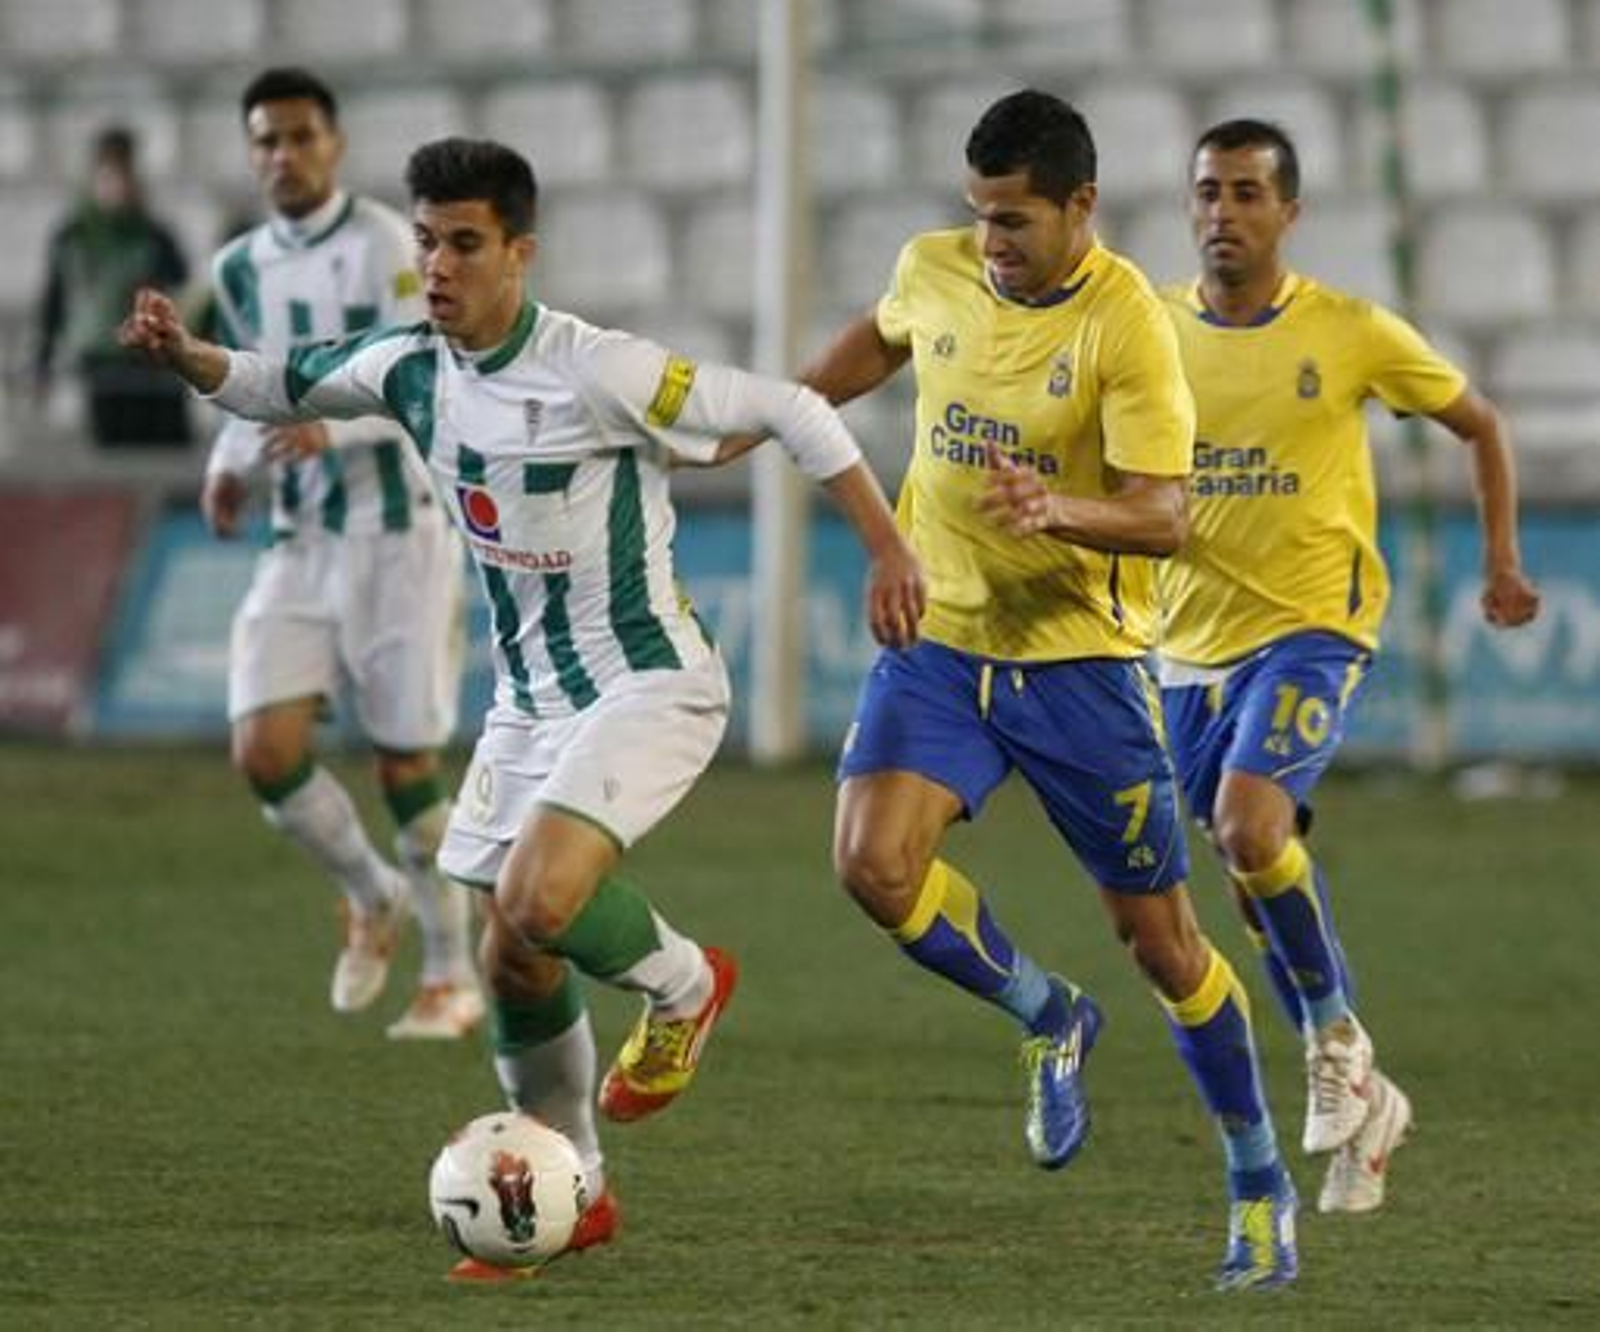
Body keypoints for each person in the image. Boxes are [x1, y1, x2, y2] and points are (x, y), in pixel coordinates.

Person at [121, 136, 926, 1276]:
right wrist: (186, 352)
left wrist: (887, 546)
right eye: (425, 243)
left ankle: (691, 986)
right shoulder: (409, 368)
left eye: (463, 245)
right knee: (511, 957)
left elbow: (794, 408)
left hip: (650, 682)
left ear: (518, 253)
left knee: (538, 896)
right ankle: (579, 1191)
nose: (438, 267)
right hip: (532, 705)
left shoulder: (601, 368)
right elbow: (277, 382)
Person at [798, 89, 1295, 1290]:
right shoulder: (937, 268)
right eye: (979, 217)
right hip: (945, 640)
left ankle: (1258, 1183)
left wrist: (1055, 506)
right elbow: (871, 344)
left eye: (1014, 221)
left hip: (1080, 664)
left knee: (1164, 944)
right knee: (872, 866)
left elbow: (1166, 516)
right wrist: (788, 413)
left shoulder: (1128, 325)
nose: (991, 244)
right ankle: (1043, 1013)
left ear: (1081, 206)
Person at [1156, 118, 1541, 1215]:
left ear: (1288, 211)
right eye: (1205, 192)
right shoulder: (1151, 333)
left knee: (1246, 827)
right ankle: (1365, 1093)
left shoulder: (1352, 331)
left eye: (1243, 193)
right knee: (1253, 870)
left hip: (1316, 628)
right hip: (1184, 650)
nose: (1220, 213)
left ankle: (1335, 1040)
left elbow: (1480, 424)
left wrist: (1501, 561)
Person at [198, 68, 481, 1041]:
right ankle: (370, 894)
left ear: (336, 143)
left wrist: (336, 430)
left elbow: (429, 371)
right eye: (266, 141)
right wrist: (232, 459)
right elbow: (257, 383)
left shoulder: (388, 248)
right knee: (263, 749)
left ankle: (452, 974)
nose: (284, 155)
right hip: (302, 539)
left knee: (407, 764)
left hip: (400, 537)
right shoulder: (238, 268)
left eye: (300, 137)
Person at [35, 125, 192, 448]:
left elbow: (180, 276)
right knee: (114, 444)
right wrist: (43, 362)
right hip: (100, 358)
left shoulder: (153, 232)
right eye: (108, 173)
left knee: (162, 442)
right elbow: (54, 302)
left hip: (150, 357)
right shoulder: (72, 235)